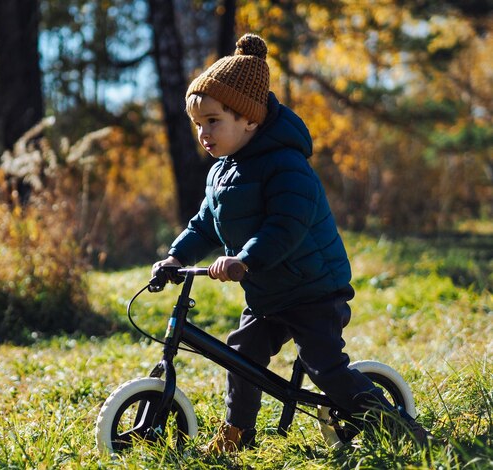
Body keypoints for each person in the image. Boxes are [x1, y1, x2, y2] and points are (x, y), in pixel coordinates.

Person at [152, 33, 430, 453]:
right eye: (198, 124)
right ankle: (237, 432)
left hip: (314, 288)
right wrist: (176, 255)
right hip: (269, 294)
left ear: (249, 119)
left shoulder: (285, 164)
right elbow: (204, 224)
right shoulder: (221, 173)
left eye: (213, 121)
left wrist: (243, 260)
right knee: (241, 356)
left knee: (325, 367)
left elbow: (287, 226)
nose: (203, 133)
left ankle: (400, 430)